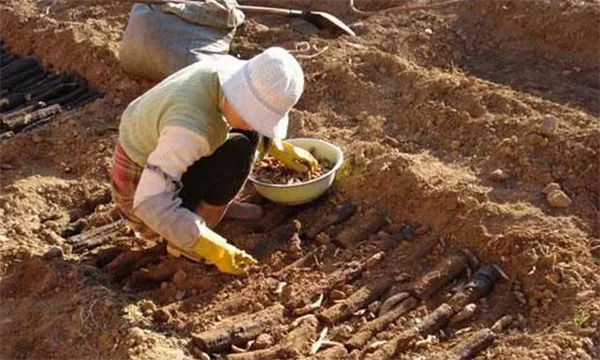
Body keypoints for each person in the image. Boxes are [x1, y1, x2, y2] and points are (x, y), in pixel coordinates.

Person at [110, 47, 318, 275]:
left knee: (249, 136)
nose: (254, 122)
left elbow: (243, 121)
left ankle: (209, 204)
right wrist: (212, 247)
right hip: (139, 194)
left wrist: (278, 148)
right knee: (237, 155)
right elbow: (150, 202)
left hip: (158, 155)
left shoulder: (222, 75)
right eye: (253, 115)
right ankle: (186, 239)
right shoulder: (189, 130)